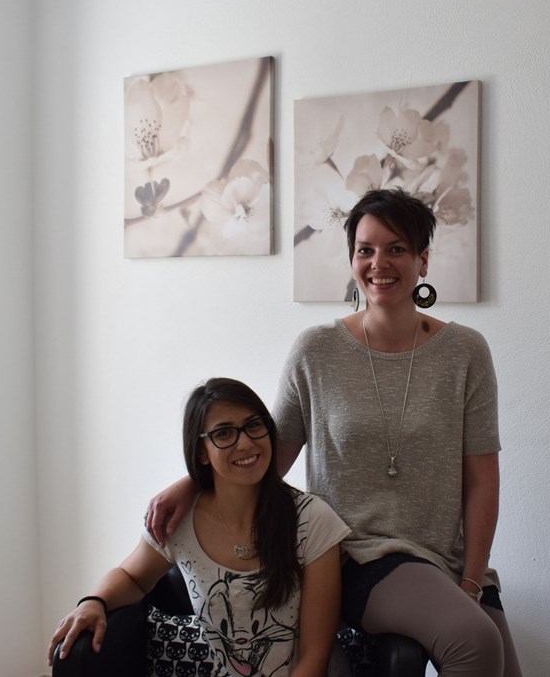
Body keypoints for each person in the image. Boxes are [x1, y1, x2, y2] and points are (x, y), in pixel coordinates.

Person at [148, 189, 523, 676]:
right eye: (365, 250)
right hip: (357, 555)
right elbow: (263, 456)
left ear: (423, 260)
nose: (378, 263)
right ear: (352, 260)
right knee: (474, 640)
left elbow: (482, 482)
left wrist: (472, 584)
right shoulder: (316, 351)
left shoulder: (466, 352)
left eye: (396, 249)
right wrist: (190, 484)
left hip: (446, 559)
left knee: (493, 657)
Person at [48, 377, 349, 677]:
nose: (245, 442)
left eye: (254, 425)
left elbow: (314, 658)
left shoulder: (312, 520)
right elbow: (132, 578)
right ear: (202, 451)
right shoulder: (178, 522)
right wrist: (93, 602)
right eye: (224, 433)